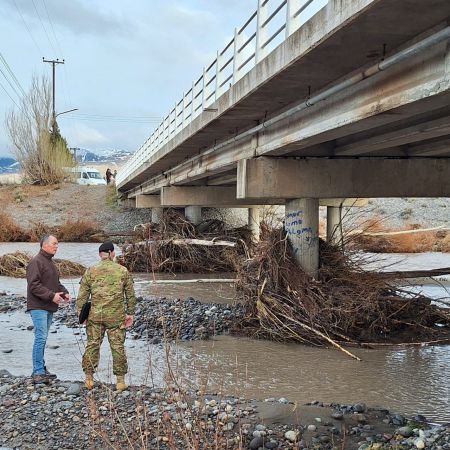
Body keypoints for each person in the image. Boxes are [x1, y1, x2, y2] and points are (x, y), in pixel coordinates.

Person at [77, 241, 136, 391]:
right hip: (116, 317)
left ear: (100, 254)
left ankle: (89, 379)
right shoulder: (122, 271)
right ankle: (120, 382)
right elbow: (130, 295)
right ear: (112, 253)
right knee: (117, 347)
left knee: (92, 345)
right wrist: (130, 314)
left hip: (95, 317)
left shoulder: (91, 270)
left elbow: (82, 296)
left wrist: (81, 316)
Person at [26, 235, 70, 383]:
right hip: (38, 306)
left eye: (57, 244)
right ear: (44, 245)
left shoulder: (50, 262)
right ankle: (38, 372)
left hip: (48, 306)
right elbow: (34, 285)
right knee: (40, 337)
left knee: (43, 338)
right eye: (54, 244)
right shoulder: (36, 262)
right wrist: (51, 296)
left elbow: (55, 283)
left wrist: (64, 293)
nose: (56, 246)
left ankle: (41, 368)